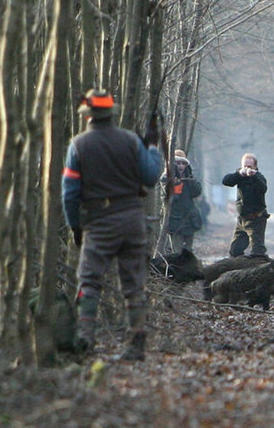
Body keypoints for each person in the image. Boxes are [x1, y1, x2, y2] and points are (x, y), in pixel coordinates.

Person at [61, 88, 162, 360]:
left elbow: (69, 193)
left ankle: (84, 342)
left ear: (88, 117)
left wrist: (75, 227)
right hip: (132, 218)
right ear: (111, 115)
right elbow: (151, 177)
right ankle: (136, 343)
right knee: (133, 284)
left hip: (99, 222)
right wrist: (153, 147)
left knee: (90, 281)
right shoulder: (131, 141)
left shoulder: (78, 145)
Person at [222, 153, 269, 257]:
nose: (247, 169)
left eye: (250, 166)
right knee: (235, 251)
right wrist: (239, 174)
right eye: (245, 166)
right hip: (242, 219)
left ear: (255, 167)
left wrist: (254, 176)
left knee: (258, 251)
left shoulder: (259, 177)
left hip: (256, 219)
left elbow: (263, 189)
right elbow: (226, 181)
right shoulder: (239, 176)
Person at [162, 149, 203, 253]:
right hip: (174, 220)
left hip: (190, 219)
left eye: (183, 163)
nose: (180, 166)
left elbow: (197, 192)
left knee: (188, 251)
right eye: (177, 163)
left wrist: (189, 179)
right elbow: (168, 198)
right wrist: (174, 185)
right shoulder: (165, 178)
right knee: (177, 252)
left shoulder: (189, 177)